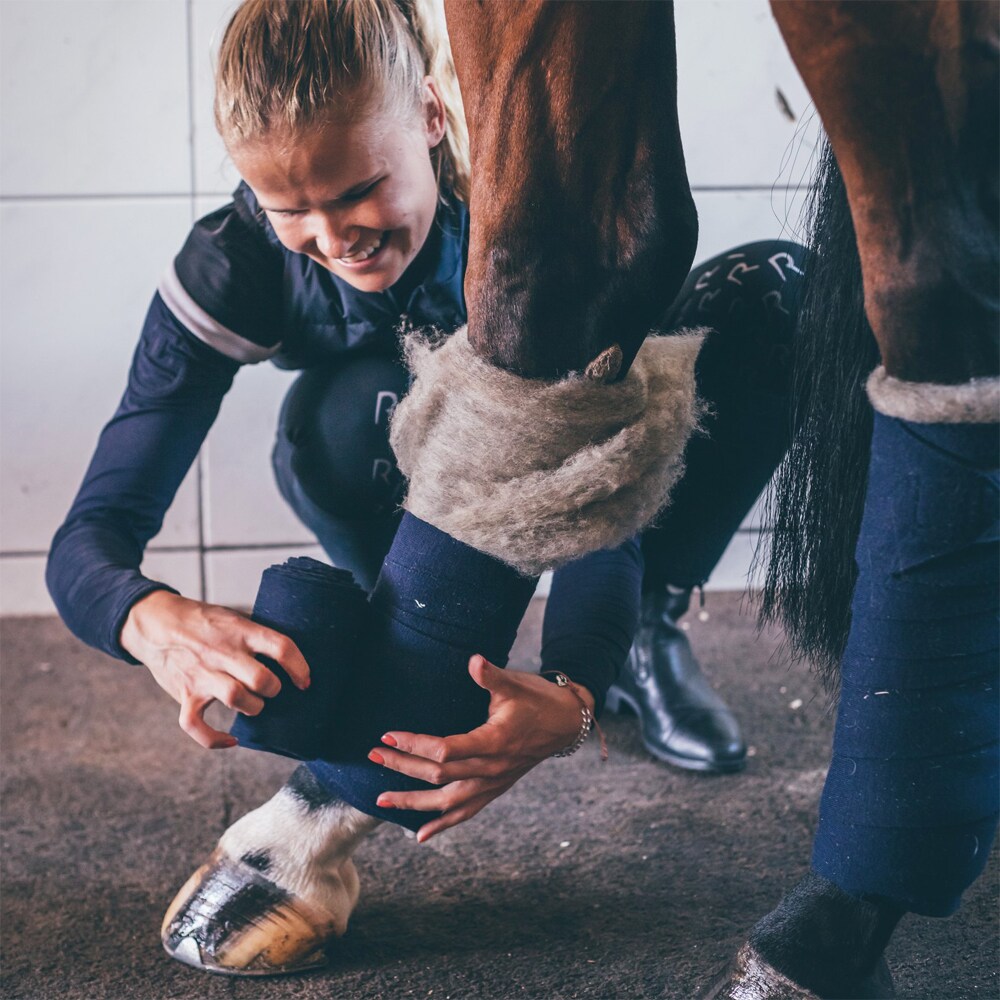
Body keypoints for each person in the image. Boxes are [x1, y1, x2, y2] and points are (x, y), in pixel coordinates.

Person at [46, 0, 806, 974]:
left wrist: (573, 690)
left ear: (436, 118)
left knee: (777, 289)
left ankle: (644, 626)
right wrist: (149, 618)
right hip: (400, 493)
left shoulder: (522, 213)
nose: (331, 235)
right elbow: (87, 538)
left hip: (583, 475)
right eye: (289, 207)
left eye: (359, 187)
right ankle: (410, 621)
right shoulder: (231, 264)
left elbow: (593, 482)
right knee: (343, 410)